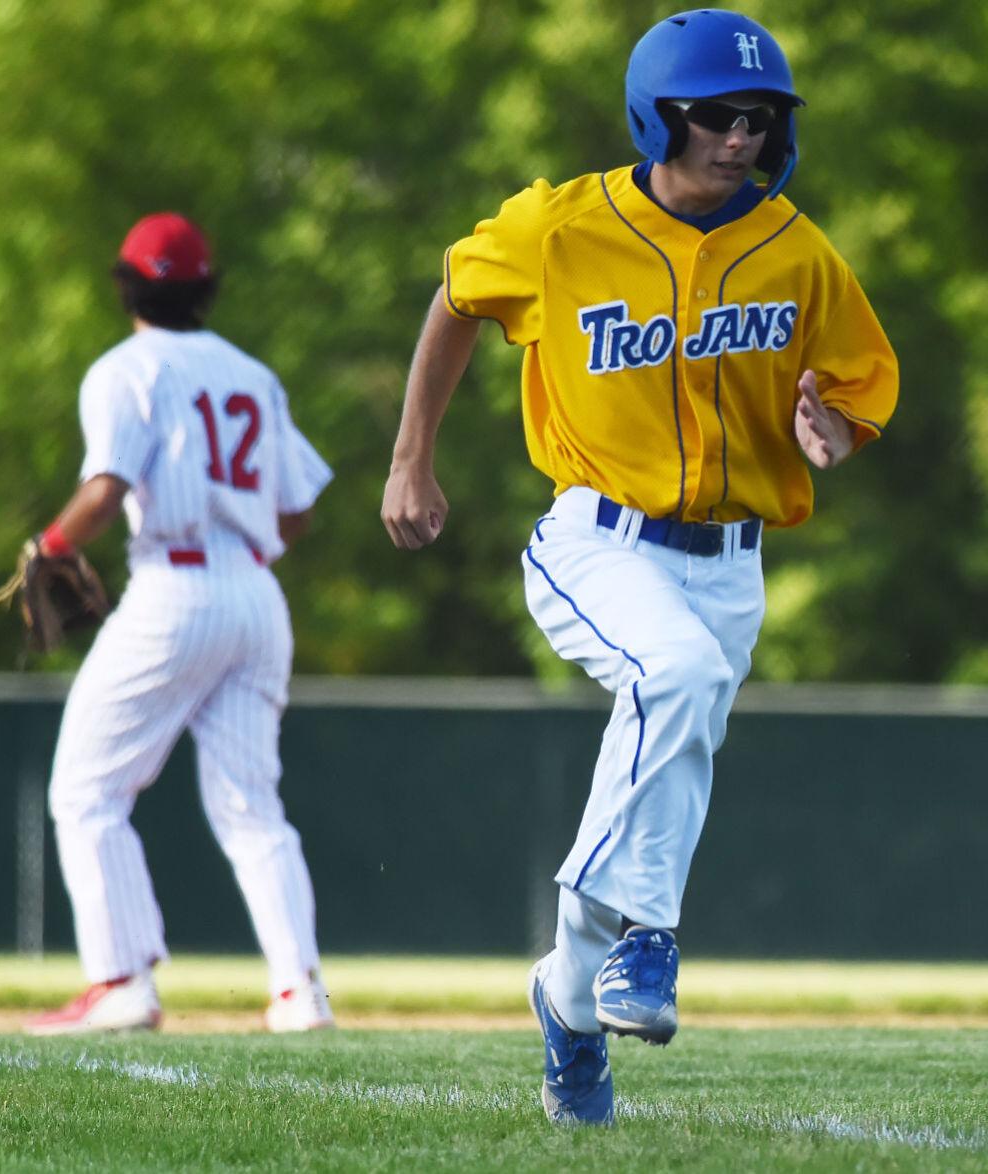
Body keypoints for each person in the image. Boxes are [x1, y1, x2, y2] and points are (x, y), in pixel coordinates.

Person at [380, 9, 898, 1127]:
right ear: (656, 114)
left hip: (733, 561)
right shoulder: (561, 227)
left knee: (669, 749)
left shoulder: (796, 249)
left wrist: (835, 434)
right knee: (677, 679)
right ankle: (651, 941)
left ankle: (569, 1005)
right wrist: (410, 457)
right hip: (596, 537)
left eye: (759, 117)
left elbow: (858, 382)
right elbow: (458, 297)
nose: (739, 136)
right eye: (714, 115)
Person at [23, 213, 336, 1035]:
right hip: (255, 593)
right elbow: (297, 509)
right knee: (250, 807)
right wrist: (244, 540)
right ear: (207, 290)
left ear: (126, 286)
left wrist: (49, 545)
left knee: (86, 790)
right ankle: (299, 991)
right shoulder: (250, 374)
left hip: (175, 588)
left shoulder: (125, 370)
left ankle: (122, 981)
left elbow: (105, 488)